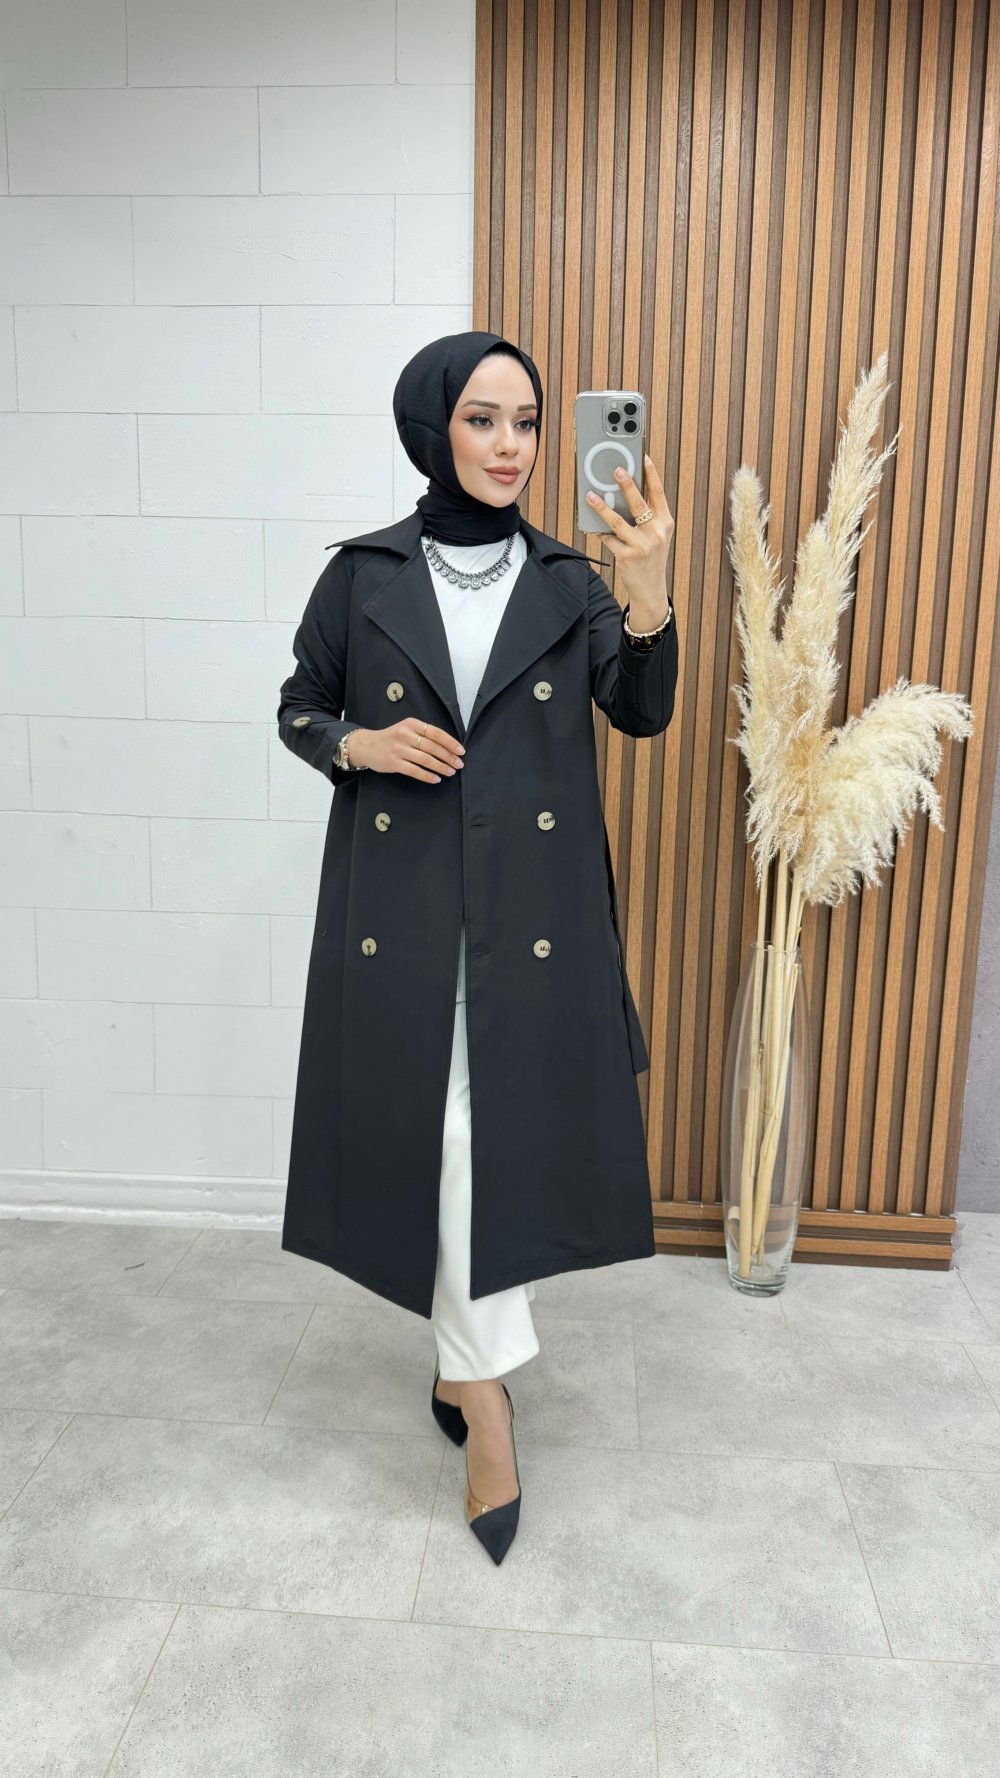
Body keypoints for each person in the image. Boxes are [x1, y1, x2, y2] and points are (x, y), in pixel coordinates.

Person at [277, 330, 677, 1563]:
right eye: (483, 419)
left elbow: (640, 710)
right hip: (402, 905)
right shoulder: (363, 574)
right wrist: (361, 744)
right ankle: (485, 1394)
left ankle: (465, 1373)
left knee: (487, 1143)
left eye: (528, 422)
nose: (510, 446)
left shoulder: (569, 577)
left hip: (530, 909)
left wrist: (649, 590)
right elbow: (299, 706)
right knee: (449, 1141)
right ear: (433, 427)